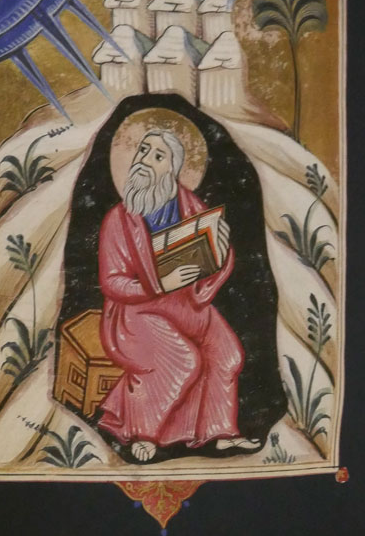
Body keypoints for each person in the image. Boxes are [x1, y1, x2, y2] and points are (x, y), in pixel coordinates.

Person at [97, 129, 261, 463]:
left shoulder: (192, 206)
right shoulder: (119, 218)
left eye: (158, 155)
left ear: (173, 168)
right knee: (183, 360)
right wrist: (158, 284)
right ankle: (143, 434)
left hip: (187, 303)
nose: (145, 160)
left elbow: (208, 262)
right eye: (143, 150)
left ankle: (219, 433)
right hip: (137, 310)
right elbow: (112, 283)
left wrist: (221, 251)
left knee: (228, 354)